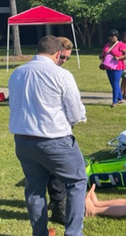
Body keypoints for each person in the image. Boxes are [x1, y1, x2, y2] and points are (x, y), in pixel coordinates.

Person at [9, 35, 87, 236]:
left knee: (34, 189)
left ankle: (40, 233)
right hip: (54, 140)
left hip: (23, 141)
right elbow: (76, 113)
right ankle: (73, 233)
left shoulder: (17, 73)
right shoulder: (61, 75)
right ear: (58, 53)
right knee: (77, 182)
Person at [41, 36, 75, 225]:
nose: (63, 61)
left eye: (67, 59)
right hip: (50, 131)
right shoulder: (50, 74)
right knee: (55, 172)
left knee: (54, 172)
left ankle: (55, 202)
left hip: (57, 128)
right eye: (62, 57)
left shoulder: (61, 75)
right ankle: (58, 205)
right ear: (54, 53)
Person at [100, 29, 126, 108]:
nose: (111, 38)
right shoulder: (106, 45)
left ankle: (114, 101)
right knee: (113, 84)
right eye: (110, 36)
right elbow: (103, 54)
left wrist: (119, 57)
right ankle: (120, 98)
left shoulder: (121, 45)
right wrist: (101, 58)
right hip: (108, 67)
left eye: (113, 36)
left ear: (116, 37)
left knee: (116, 83)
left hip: (117, 67)